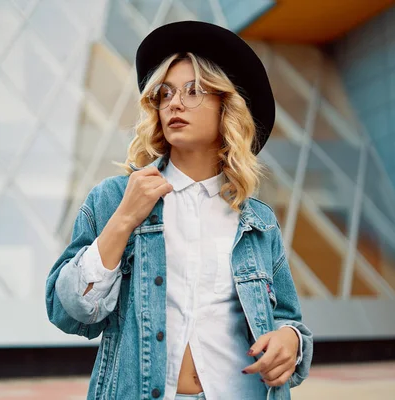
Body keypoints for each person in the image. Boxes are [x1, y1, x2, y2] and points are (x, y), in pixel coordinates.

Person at [46, 21, 312, 400]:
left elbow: (288, 320)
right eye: (166, 93)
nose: (175, 102)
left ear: (226, 105)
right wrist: (124, 219)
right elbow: (67, 311)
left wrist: (290, 340)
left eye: (195, 91)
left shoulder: (256, 220)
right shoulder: (114, 198)